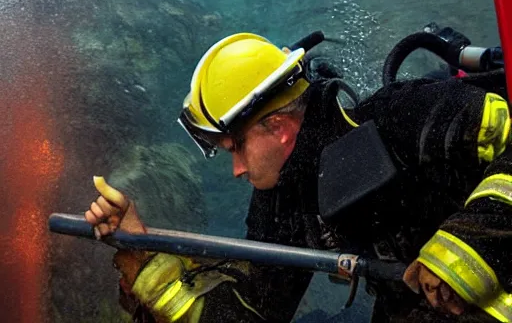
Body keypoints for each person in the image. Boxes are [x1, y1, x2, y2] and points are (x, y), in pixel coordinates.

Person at [86, 32, 512, 322]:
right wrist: (141, 253)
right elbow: (253, 312)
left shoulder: (404, 115)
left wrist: (468, 250)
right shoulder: (282, 200)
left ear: (278, 127)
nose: (236, 171)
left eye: (235, 148)